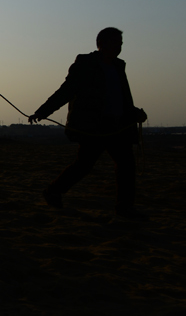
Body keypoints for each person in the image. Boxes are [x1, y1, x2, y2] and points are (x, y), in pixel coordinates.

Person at [28, 27, 148, 219]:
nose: (119, 47)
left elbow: (121, 99)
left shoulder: (118, 66)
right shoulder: (85, 64)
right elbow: (66, 91)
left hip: (117, 126)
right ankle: (53, 191)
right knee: (84, 165)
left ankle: (124, 208)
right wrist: (43, 111)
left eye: (121, 44)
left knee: (126, 165)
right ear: (101, 44)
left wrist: (135, 113)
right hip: (94, 127)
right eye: (115, 43)